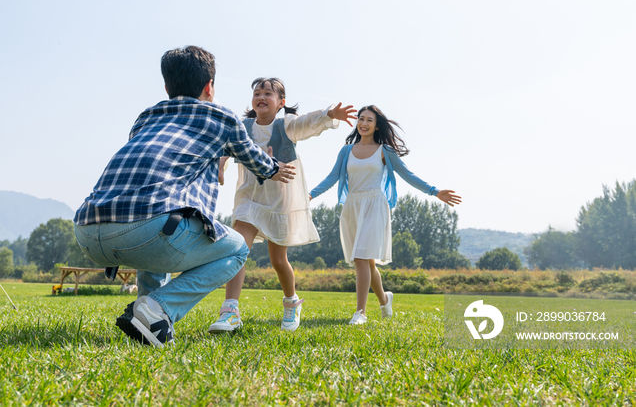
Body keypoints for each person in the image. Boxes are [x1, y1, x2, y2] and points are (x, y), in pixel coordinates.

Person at [73, 46, 296, 347]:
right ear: (209, 87)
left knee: (159, 210)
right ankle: (159, 308)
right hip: (146, 229)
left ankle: (148, 320)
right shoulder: (221, 117)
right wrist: (274, 168)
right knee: (237, 250)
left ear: (167, 87)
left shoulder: (146, 117)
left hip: (88, 230)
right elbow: (253, 158)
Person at [207, 77, 357, 333]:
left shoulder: (286, 126)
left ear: (281, 103)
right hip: (249, 199)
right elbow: (225, 149)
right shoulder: (241, 127)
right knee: (238, 249)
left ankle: (291, 302)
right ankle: (230, 310)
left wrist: (329, 114)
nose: (261, 97)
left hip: (280, 202)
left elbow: (306, 123)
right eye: (257, 93)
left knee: (278, 260)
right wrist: (221, 166)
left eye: (268, 93)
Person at [309, 105, 461, 325]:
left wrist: (435, 191)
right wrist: (310, 195)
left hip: (375, 205)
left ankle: (360, 313)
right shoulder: (346, 151)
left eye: (369, 120)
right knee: (367, 262)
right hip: (352, 205)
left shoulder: (384, 151)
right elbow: (332, 177)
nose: (364, 123)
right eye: (361, 119)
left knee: (361, 257)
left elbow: (408, 174)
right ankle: (384, 299)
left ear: (377, 125)